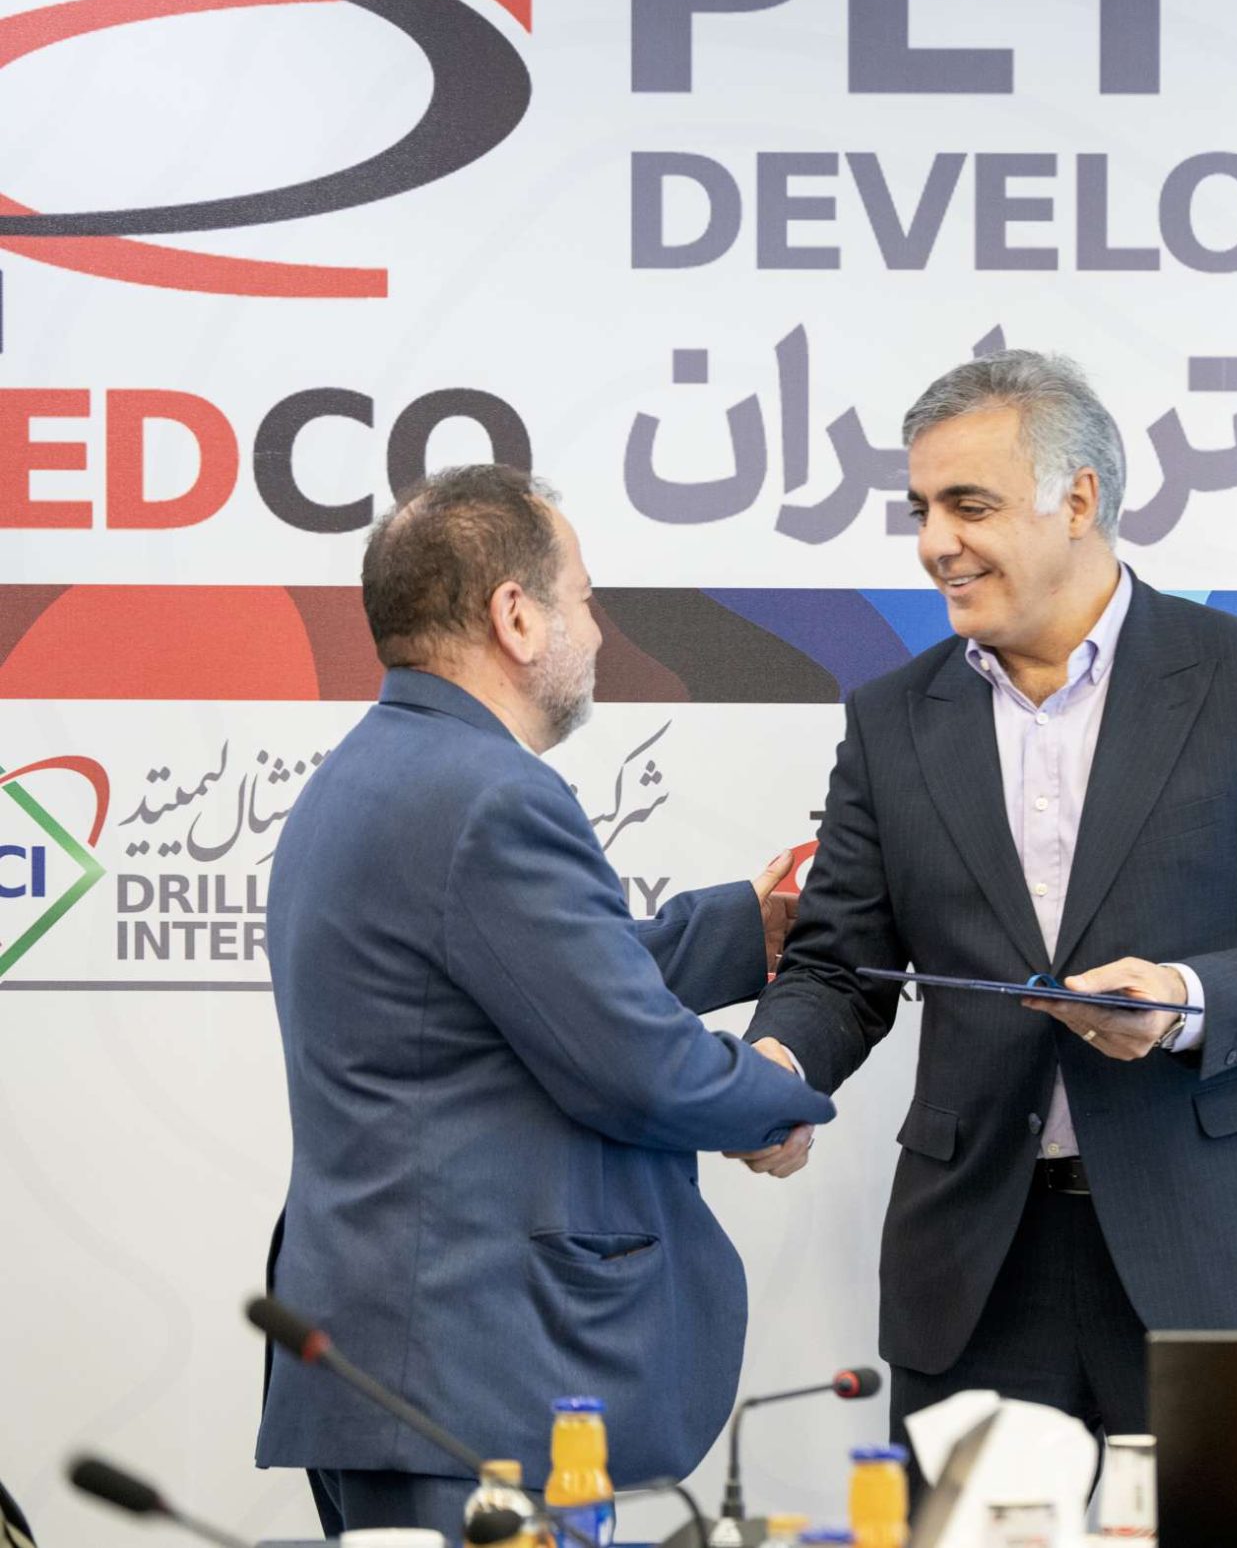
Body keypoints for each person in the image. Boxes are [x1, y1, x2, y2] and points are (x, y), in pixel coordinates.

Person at [738, 350, 1237, 1447]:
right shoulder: (892, 718)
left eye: (970, 505)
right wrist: (780, 1066)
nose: (935, 542)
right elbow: (837, 968)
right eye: (921, 509)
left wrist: (1182, 1000)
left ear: (1079, 499)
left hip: (1225, 1252)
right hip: (978, 1268)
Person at [256, 465, 835, 1540]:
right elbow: (632, 1063)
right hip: (478, 1381)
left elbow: (527, 986)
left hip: (397, 1369)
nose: (598, 632)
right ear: (515, 616)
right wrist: (782, 1094)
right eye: (584, 599)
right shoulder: (493, 795)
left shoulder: (374, 771)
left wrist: (737, 932)